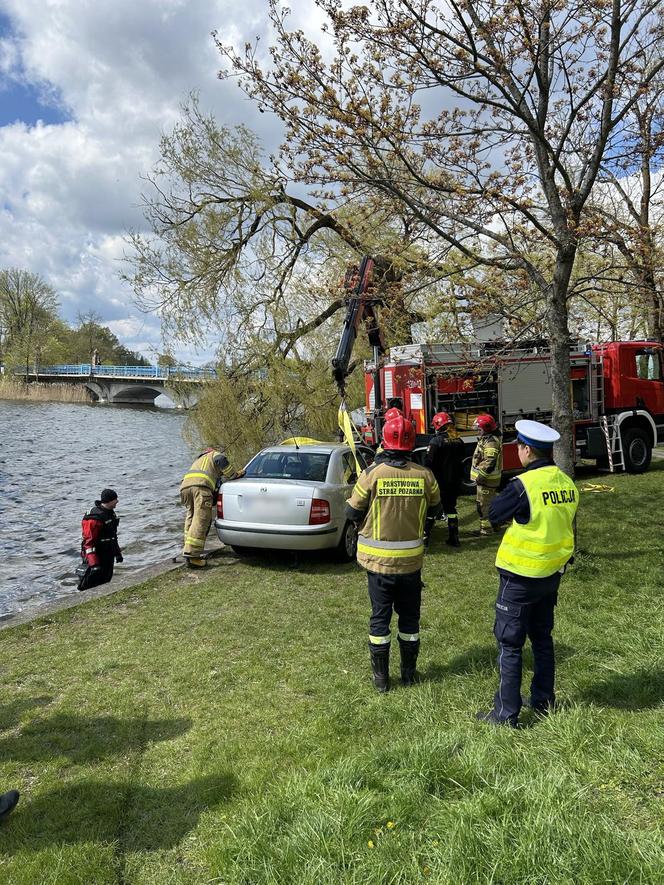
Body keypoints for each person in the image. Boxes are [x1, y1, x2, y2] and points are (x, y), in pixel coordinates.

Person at [476, 419, 578, 727]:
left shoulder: (524, 485)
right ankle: (544, 701)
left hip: (519, 578)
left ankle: (506, 714)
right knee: (543, 640)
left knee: (510, 645)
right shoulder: (566, 483)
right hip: (550, 575)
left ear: (527, 450)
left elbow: (493, 514)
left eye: (518, 447)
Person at [346, 414, 441, 692]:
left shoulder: (371, 474)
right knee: (410, 620)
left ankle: (381, 681)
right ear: (412, 443)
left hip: (378, 565)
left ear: (384, 441)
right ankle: (409, 676)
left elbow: (352, 511)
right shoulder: (425, 475)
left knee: (380, 618)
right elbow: (436, 510)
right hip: (411, 563)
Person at [180, 447, 243, 568]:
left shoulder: (200, 460)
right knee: (201, 520)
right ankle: (193, 557)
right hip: (201, 487)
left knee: (191, 518)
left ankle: (187, 548)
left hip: (185, 488)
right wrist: (234, 474)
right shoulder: (215, 454)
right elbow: (221, 459)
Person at [424, 411, 465, 547]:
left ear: (437, 425)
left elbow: (428, 463)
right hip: (454, 482)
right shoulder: (459, 441)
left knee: (432, 508)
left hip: (438, 482)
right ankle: (454, 538)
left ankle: (425, 539)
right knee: (451, 509)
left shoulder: (436, 441)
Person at [77, 489, 123, 591]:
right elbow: (88, 543)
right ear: (109, 500)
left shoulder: (110, 513)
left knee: (106, 579)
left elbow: (113, 536)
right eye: (115, 499)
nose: (117, 501)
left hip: (108, 552)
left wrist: (117, 553)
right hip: (96, 555)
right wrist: (94, 564)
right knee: (91, 581)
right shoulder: (94, 518)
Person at [470, 414, 503, 535]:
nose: (478, 431)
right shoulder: (487, 439)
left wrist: (481, 476)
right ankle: (495, 526)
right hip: (488, 479)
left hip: (487, 480)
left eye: (479, 429)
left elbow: (490, 461)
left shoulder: (491, 442)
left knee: (483, 505)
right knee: (489, 504)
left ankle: (486, 529)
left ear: (486, 428)